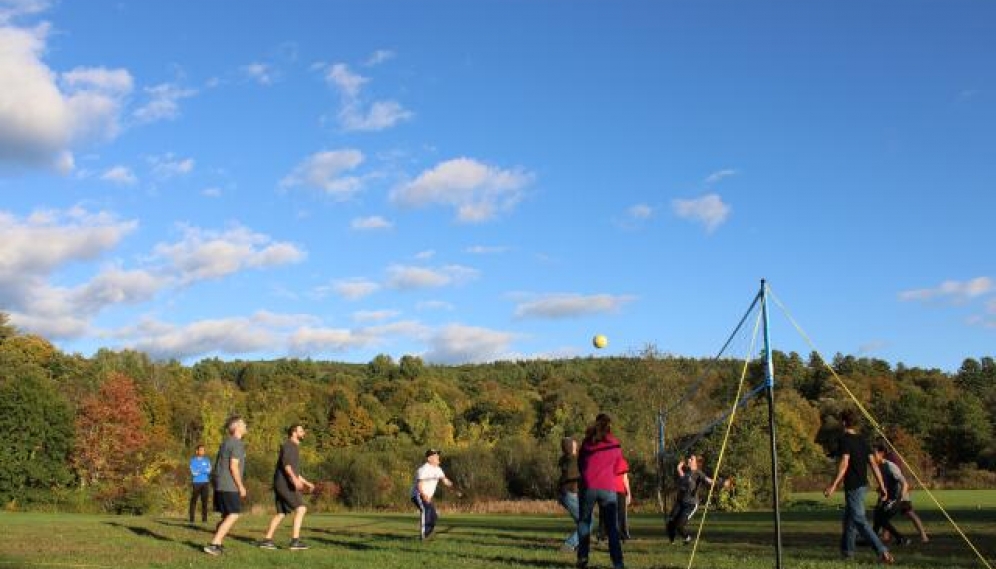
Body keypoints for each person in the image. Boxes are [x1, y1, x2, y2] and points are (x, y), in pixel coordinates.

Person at [823, 409, 895, 564]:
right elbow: (874, 465)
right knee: (849, 521)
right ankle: (847, 554)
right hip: (863, 486)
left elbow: (844, 464)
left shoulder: (845, 440)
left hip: (854, 487)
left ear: (843, 422)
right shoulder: (862, 439)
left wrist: (833, 485)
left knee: (859, 520)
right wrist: (882, 485)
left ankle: (882, 551)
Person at [577, 413, 628, 569]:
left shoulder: (587, 442)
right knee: (612, 527)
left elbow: (580, 464)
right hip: (608, 487)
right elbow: (620, 467)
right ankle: (617, 563)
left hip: (589, 486)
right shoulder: (615, 443)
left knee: (584, 522)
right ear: (609, 426)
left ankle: (583, 559)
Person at [258, 424, 315, 551]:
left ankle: (267, 540)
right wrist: (294, 480)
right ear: (294, 433)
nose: (303, 432)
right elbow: (287, 466)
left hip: (281, 483)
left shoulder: (293, 447)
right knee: (301, 509)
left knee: (281, 513)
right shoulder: (290, 445)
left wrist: (306, 482)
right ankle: (295, 541)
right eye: (301, 430)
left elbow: (294, 470)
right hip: (285, 484)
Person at [203, 416, 248, 556]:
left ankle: (219, 543)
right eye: (243, 424)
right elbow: (233, 467)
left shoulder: (226, 442)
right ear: (236, 427)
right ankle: (214, 544)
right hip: (229, 485)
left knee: (227, 515)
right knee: (234, 515)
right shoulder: (237, 443)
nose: (245, 425)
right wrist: (240, 486)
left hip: (220, 484)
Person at [872, 444, 927, 545]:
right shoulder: (879, 466)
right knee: (880, 515)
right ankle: (880, 538)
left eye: (874, 454)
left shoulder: (890, 464)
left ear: (881, 453)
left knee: (909, 514)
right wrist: (881, 488)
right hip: (890, 496)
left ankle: (922, 537)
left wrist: (898, 500)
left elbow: (904, 483)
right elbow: (887, 481)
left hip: (900, 496)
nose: (871, 456)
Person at [665, 454, 719, 544]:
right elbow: (683, 478)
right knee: (670, 521)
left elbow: (708, 480)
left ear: (696, 463)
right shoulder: (687, 473)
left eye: (691, 459)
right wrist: (679, 469)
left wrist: (719, 483)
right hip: (681, 502)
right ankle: (671, 542)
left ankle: (687, 538)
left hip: (691, 504)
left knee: (679, 525)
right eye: (689, 458)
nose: (689, 460)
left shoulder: (698, 473)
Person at [557, 437, 596, 552]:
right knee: (588, 521)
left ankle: (580, 544)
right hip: (570, 495)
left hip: (567, 494)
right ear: (570, 446)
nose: (576, 444)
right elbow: (571, 475)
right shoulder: (573, 461)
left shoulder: (566, 459)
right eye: (574, 443)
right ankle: (569, 545)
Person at [411, 448, 454, 540]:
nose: (438, 457)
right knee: (426, 511)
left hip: (427, 496)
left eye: (438, 455)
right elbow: (419, 485)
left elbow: (444, 479)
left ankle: (427, 533)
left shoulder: (438, 469)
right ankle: (423, 536)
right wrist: (423, 495)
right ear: (429, 459)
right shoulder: (423, 470)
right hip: (418, 495)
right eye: (435, 456)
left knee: (434, 515)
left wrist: (450, 484)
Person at [188, 444, 211, 524]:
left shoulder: (207, 460)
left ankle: (204, 520)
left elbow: (209, 471)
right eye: (201, 450)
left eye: (203, 450)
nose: (202, 451)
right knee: (194, 501)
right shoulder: (193, 460)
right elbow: (194, 473)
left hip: (205, 483)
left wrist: (199, 469)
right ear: (197, 451)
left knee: (204, 501)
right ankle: (191, 519)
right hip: (196, 483)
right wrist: (203, 469)